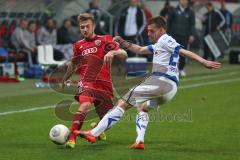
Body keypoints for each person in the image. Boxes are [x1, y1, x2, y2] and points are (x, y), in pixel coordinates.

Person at [74, 16, 221, 149]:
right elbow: (139, 49)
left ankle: (94, 132)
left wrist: (203, 61)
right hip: (170, 89)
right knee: (142, 107)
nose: (148, 34)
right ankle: (139, 141)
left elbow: (183, 51)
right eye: (148, 31)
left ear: (162, 30)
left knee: (122, 103)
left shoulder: (165, 39)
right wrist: (123, 42)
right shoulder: (159, 44)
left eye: (152, 31)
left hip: (160, 81)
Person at [61, 13, 127, 149]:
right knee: (85, 104)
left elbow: (124, 54)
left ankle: (97, 128)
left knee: (109, 120)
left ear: (94, 26)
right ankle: (72, 138)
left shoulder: (105, 40)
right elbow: (73, 64)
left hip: (105, 84)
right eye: (81, 27)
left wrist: (113, 52)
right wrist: (65, 78)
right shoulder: (78, 45)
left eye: (87, 26)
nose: (84, 29)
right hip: (87, 82)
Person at [167, 0, 195, 77]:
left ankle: (181, 69)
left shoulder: (190, 12)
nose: (183, 1)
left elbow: (192, 24)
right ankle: (172, 70)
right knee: (173, 53)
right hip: (174, 35)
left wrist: (191, 35)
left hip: (184, 36)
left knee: (183, 53)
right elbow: (168, 22)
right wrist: (167, 34)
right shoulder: (173, 10)